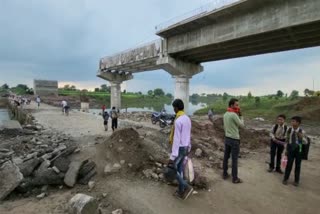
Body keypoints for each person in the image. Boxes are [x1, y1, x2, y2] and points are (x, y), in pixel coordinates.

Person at [168, 99, 193, 200]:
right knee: (180, 169)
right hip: (186, 146)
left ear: (176, 108)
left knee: (172, 169)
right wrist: (189, 146)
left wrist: (172, 156)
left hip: (179, 148)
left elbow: (176, 139)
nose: (173, 109)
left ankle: (186, 187)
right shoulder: (187, 118)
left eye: (174, 107)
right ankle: (181, 191)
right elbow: (188, 134)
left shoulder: (178, 121)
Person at [222, 98, 244, 184]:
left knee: (226, 157)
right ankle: (235, 178)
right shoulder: (234, 115)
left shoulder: (225, 114)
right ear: (231, 105)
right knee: (234, 160)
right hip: (234, 140)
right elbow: (242, 125)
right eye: (236, 105)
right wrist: (241, 116)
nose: (238, 107)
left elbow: (224, 127)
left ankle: (224, 174)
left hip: (227, 138)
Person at [283, 116, 308, 186]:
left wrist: (301, 137)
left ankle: (296, 181)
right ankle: (285, 179)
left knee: (298, 165)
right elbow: (287, 140)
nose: (292, 122)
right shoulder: (289, 130)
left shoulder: (302, 131)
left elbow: (306, 142)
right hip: (290, 149)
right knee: (289, 165)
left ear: (298, 123)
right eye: (291, 121)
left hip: (299, 149)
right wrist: (286, 149)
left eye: (293, 121)